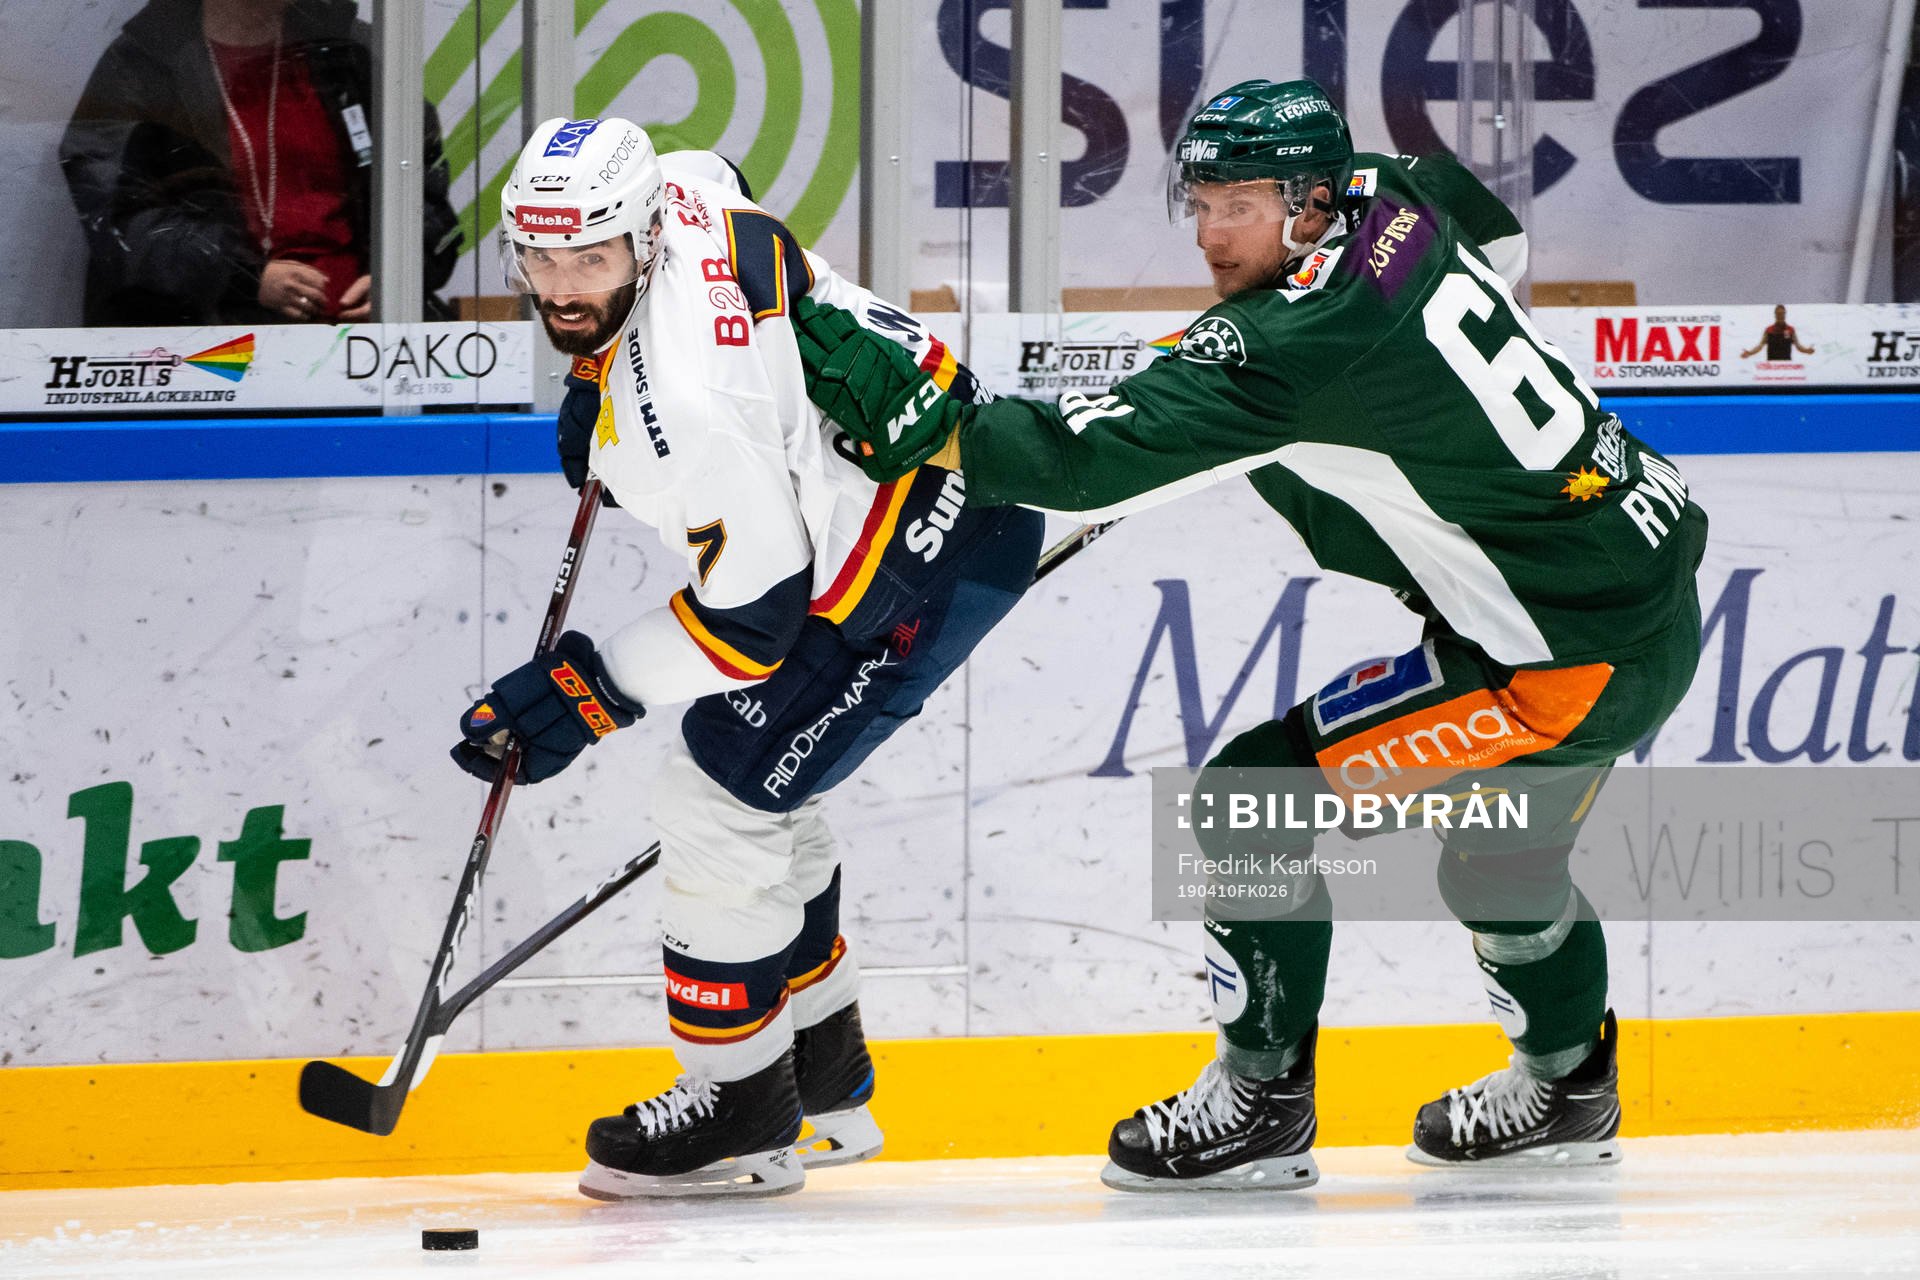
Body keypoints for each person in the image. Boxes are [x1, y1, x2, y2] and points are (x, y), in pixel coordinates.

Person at [792, 79, 1708, 1191]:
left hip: (1560, 664)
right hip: (1643, 582)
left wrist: (884, 401)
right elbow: (1497, 239)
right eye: (1203, 199)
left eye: (1242, 203)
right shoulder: (1395, 197)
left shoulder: (1290, 342)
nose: (1211, 231)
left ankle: (1262, 1100)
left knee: (1246, 804)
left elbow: (1067, 463)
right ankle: (1569, 1084)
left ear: (1313, 202)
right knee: (1502, 854)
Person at [455, 117, 1043, 1199]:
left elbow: (749, 625)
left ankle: (740, 1104)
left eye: (590, 259)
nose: (564, 285)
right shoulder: (675, 191)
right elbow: (721, 171)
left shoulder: (685, 401)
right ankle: (824, 1080)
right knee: (756, 777)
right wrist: (599, 371)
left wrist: (584, 691)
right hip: (924, 487)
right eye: (541, 258)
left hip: (920, 552)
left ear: (642, 237)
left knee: (718, 785)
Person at [58, 0, 461, 326]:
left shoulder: (351, 51)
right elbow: (118, 216)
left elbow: (425, 195)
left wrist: (399, 277)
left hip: (364, 345)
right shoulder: (143, 63)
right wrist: (242, 277)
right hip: (210, 352)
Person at [1741, 304, 1815, 361]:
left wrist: (1807, 350)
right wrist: (1749, 353)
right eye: (1778, 314)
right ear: (1775, 315)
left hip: (1786, 365)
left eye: (1782, 313)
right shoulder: (1768, 330)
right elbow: (1760, 346)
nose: (1780, 316)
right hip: (1772, 365)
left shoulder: (1790, 330)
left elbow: (1798, 346)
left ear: (1785, 314)